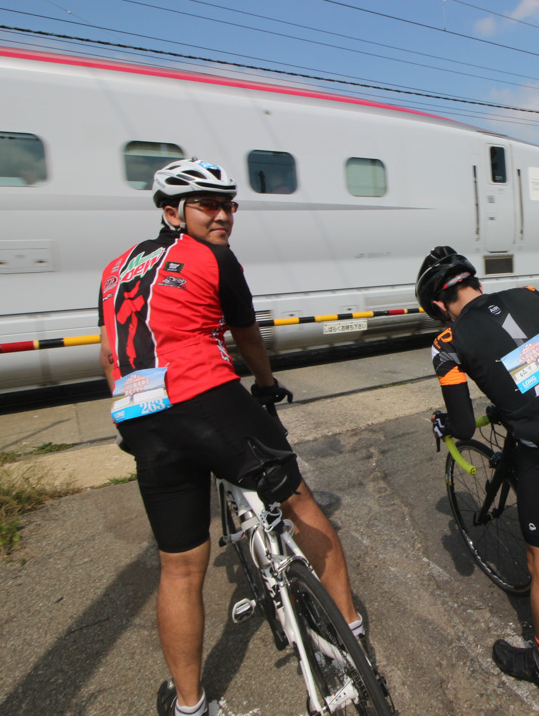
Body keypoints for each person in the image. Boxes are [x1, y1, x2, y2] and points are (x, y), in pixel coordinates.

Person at [98, 158, 364, 716]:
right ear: (172, 212)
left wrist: (129, 417)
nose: (222, 216)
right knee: (299, 503)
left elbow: (109, 354)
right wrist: (266, 386)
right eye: (207, 205)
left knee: (180, 566)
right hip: (206, 399)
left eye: (228, 205)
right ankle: (353, 642)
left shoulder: (113, 269)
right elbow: (246, 335)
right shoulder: (213, 257)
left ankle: (190, 706)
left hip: (141, 416)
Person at [417, 246, 539, 689]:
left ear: (438, 305)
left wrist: (442, 423)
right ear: (476, 283)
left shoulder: (447, 345)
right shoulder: (529, 294)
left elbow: (465, 423)